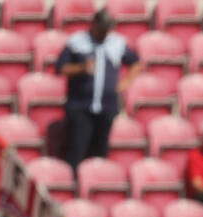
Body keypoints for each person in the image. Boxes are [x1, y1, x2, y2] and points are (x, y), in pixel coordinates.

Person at [57, 10, 141, 170]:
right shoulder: (77, 42)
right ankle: (74, 188)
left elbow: (136, 63)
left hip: (106, 107)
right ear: (94, 25)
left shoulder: (117, 43)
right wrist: (81, 68)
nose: (104, 33)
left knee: (100, 151)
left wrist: (125, 82)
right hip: (81, 106)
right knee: (77, 149)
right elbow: (61, 68)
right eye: (101, 28)